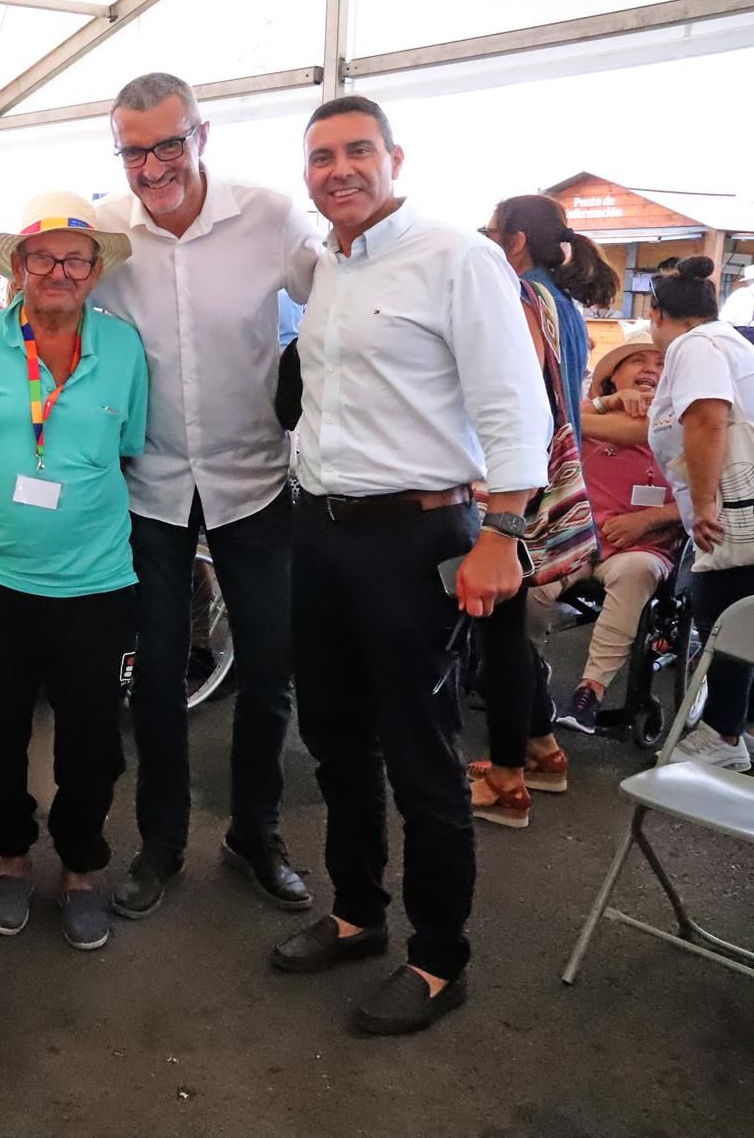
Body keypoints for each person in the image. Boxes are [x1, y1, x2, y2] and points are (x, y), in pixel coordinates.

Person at [271, 96, 549, 1035]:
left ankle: (439, 959)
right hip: (321, 533)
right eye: (320, 157)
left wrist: (500, 536)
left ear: (394, 157)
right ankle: (356, 915)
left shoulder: (456, 257)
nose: (337, 169)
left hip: (415, 538)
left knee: (420, 754)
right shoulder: (329, 267)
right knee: (334, 740)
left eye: (356, 151)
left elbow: (514, 406)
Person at [91, 71, 320, 918]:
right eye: (132, 151)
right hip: (146, 484)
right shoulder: (104, 231)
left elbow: (337, 306)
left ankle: (254, 831)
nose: (152, 168)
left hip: (253, 479)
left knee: (268, 666)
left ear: (202, 133)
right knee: (154, 673)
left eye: (167, 144)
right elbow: (38, 309)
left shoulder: (267, 214)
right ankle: (158, 843)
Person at [0, 192, 146, 952]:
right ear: (17, 268)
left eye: (74, 259)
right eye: (41, 258)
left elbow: (130, 449)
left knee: (92, 739)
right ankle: (11, 858)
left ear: (94, 271)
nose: (57, 271)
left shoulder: (122, 349)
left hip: (95, 583)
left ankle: (81, 867)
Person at [464, 215, 600, 829]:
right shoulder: (565, 303)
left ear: (515, 240)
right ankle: (543, 750)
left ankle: (508, 777)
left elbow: (515, 396)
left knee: (500, 631)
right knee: (507, 629)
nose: (489, 243)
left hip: (518, 487)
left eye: (494, 232)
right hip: (548, 481)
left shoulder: (521, 295)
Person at [531, 333, 684, 735]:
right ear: (613, 376)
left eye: (661, 362)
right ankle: (530, 675)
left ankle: (590, 692)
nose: (651, 368)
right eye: (638, 360)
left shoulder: (683, 425)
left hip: (643, 546)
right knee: (527, 586)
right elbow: (552, 426)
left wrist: (647, 521)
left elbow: (705, 501)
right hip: (580, 539)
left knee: (635, 571)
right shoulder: (591, 422)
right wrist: (605, 403)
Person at [646, 256, 754, 771]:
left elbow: (709, 419)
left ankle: (723, 736)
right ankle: (730, 729)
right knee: (737, 614)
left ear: (659, 312)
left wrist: (708, 502)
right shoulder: (728, 342)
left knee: (726, 617)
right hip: (740, 502)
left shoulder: (695, 346)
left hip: (733, 508)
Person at [484, 195, 618, 441]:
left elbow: (514, 390)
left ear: (516, 243)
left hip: (532, 458)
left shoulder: (522, 298)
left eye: (488, 232)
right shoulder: (561, 300)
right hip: (561, 458)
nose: (484, 241)